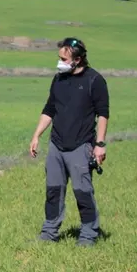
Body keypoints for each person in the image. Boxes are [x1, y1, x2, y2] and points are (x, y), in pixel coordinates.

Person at [30, 38, 108, 247]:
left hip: (81, 146)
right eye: (59, 58)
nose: (60, 62)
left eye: (64, 59)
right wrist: (37, 135)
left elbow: (103, 114)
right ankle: (49, 233)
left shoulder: (95, 80)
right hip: (56, 144)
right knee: (53, 191)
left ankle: (88, 235)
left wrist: (99, 144)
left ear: (78, 59)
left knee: (83, 193)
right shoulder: (58, 79)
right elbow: (49, 109)